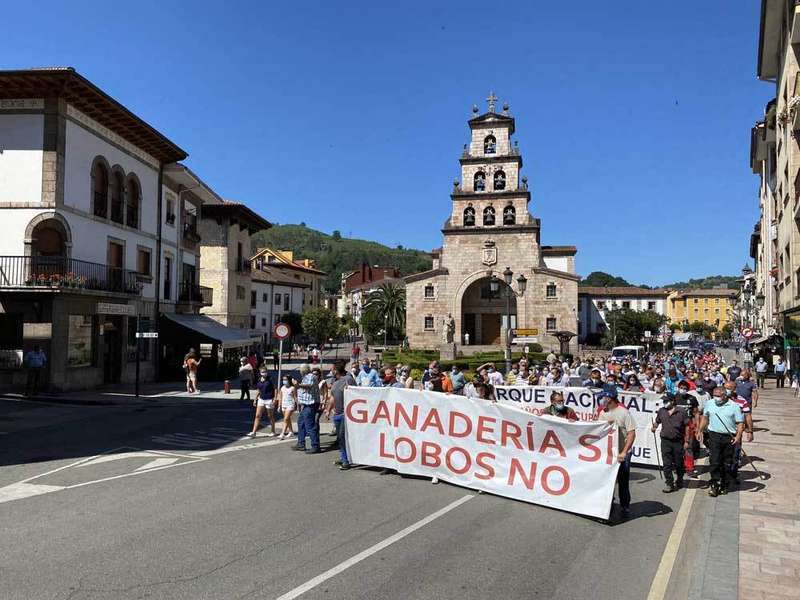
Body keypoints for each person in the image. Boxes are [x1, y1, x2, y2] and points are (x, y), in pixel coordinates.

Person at [697, 386, 744, 497]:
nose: (716, 398)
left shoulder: (734, 406)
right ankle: (715, 484)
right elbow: (705, 418)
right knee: (714, 461)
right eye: (715, 395)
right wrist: (699, 430)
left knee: (726, 462)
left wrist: (738, 436)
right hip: (714, 436)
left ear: (725, 395)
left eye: (718, 396)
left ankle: (725, 483)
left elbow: (740, 423)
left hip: (729, 437)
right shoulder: (710, 403)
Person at [598, 390, 637, 517]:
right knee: (607, 480)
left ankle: (625, 506)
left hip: (621, 453)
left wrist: (624, 452)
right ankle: (607, 504)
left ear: (610, 398)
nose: (603, 400)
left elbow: (631, 433)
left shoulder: (624, 413)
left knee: (623, 481)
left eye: (604, 397)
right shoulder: (602, 413)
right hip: (608, 453)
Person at [652, 395, 690, 492]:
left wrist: (687, 441)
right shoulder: (661, 411)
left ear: (672, 401)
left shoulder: (681, 411)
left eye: (666, 401)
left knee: (678, 463)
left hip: (678, 441)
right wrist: (654, 427)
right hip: (665, 441)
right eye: (664, 401)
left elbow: (687, 427)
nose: (665, 402)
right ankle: (669, 483)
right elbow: (657, 421)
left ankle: (680, 479)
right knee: (666, 463)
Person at [326, 363, 351, 470]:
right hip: (337, 414)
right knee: (340, 439)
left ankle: (346, 461)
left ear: (336, 370)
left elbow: (356, 392)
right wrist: (328, 410)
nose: (331, 371)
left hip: (346, 414)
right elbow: (332, 398)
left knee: (343, 437)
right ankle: (343, 457)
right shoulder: (335, 383)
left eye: (332, 369)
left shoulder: (348, 379)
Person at [293, 364, 321, 453]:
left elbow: (309, 386)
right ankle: (301, 443)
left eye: (301, 370)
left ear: (304, 370)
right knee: (301, 422)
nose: (300, 371)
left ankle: (315, 446)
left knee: (310, 425)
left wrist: (298, 385)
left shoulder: (311, 376)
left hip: (310, 404)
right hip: (306, 404)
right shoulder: (305, 377)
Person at [248, 371, 276, 437]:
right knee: (257, 415)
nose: (264, 373)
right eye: (262, 372)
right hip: (261, 399)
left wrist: (275, 398)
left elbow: (275, 389)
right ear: (260, 372)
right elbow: (258, 390)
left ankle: (273, 431)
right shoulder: (259, 380)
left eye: (265, 371)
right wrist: (255, 399)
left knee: (270, 416)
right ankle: (254, 432)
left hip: (269, 399)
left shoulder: (270, 379)